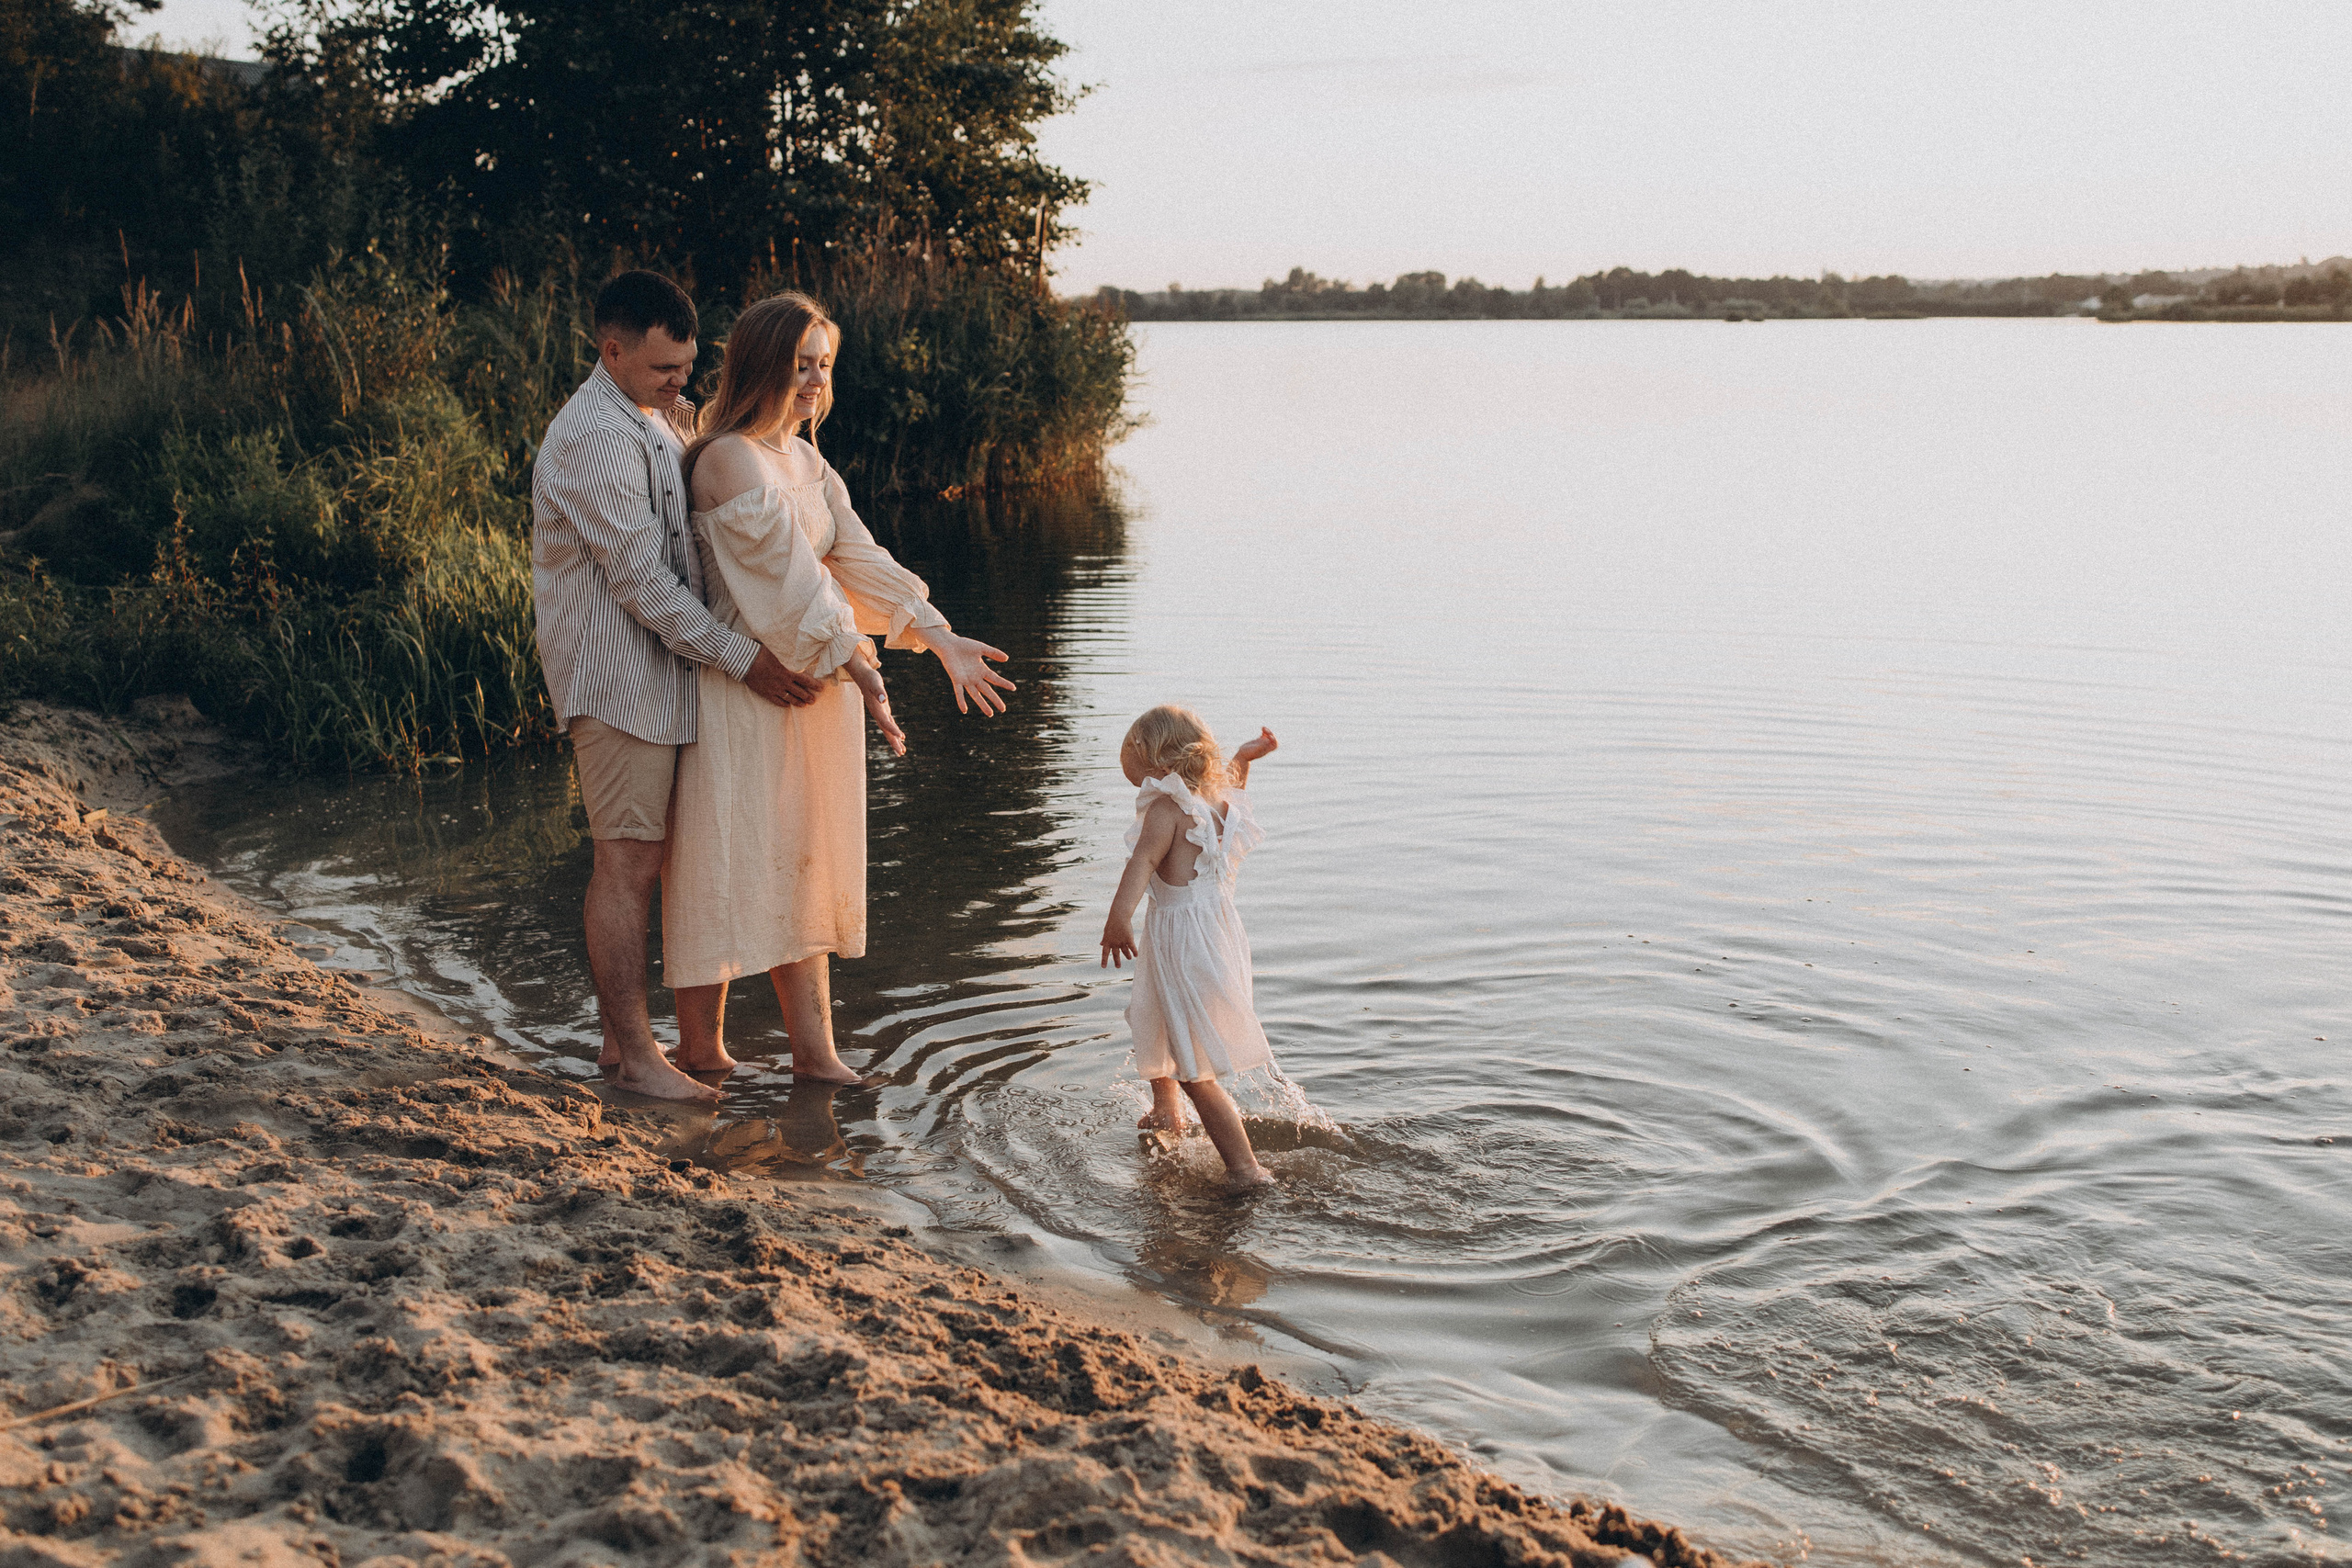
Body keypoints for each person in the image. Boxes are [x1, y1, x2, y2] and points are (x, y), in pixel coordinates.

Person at [666, 291, 1017, 1081]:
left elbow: (855, 558)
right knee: (723, 856)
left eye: (824, 366)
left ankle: (815, 1055)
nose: (815, 382)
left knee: (808, 857)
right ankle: (699, 1049)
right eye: (800, 366)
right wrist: (861, 666)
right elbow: (792, 585)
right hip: (746, 688)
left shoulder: (805, 458)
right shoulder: (727, 458)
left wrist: (934, 632)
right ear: (763, 364)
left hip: (816, 685)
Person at [532, 270, 829, 1102]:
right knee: (627, 861)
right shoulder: (593, 435)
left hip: (668, 676)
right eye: (664, 369)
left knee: (661, 858)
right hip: (618, 677)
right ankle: (635, 1058)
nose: (680, 383)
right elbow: (644, 582)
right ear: (611, 349)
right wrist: (745, 658)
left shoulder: (653, 416)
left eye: (687, 365)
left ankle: (631, 1044)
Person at [1099, 705, 1282, 1190]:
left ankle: (1246, 1168)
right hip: (1214, 938)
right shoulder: (1218, 803)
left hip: (1183, 943)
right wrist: (1246, 755)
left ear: (1155, 763)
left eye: (1136, 770)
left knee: (1195, 1068)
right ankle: (1166, 1111)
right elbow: (1235, 781)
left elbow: (1141, 863)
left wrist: (1118, 920)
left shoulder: (1166, 810)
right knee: (1154, 1015)